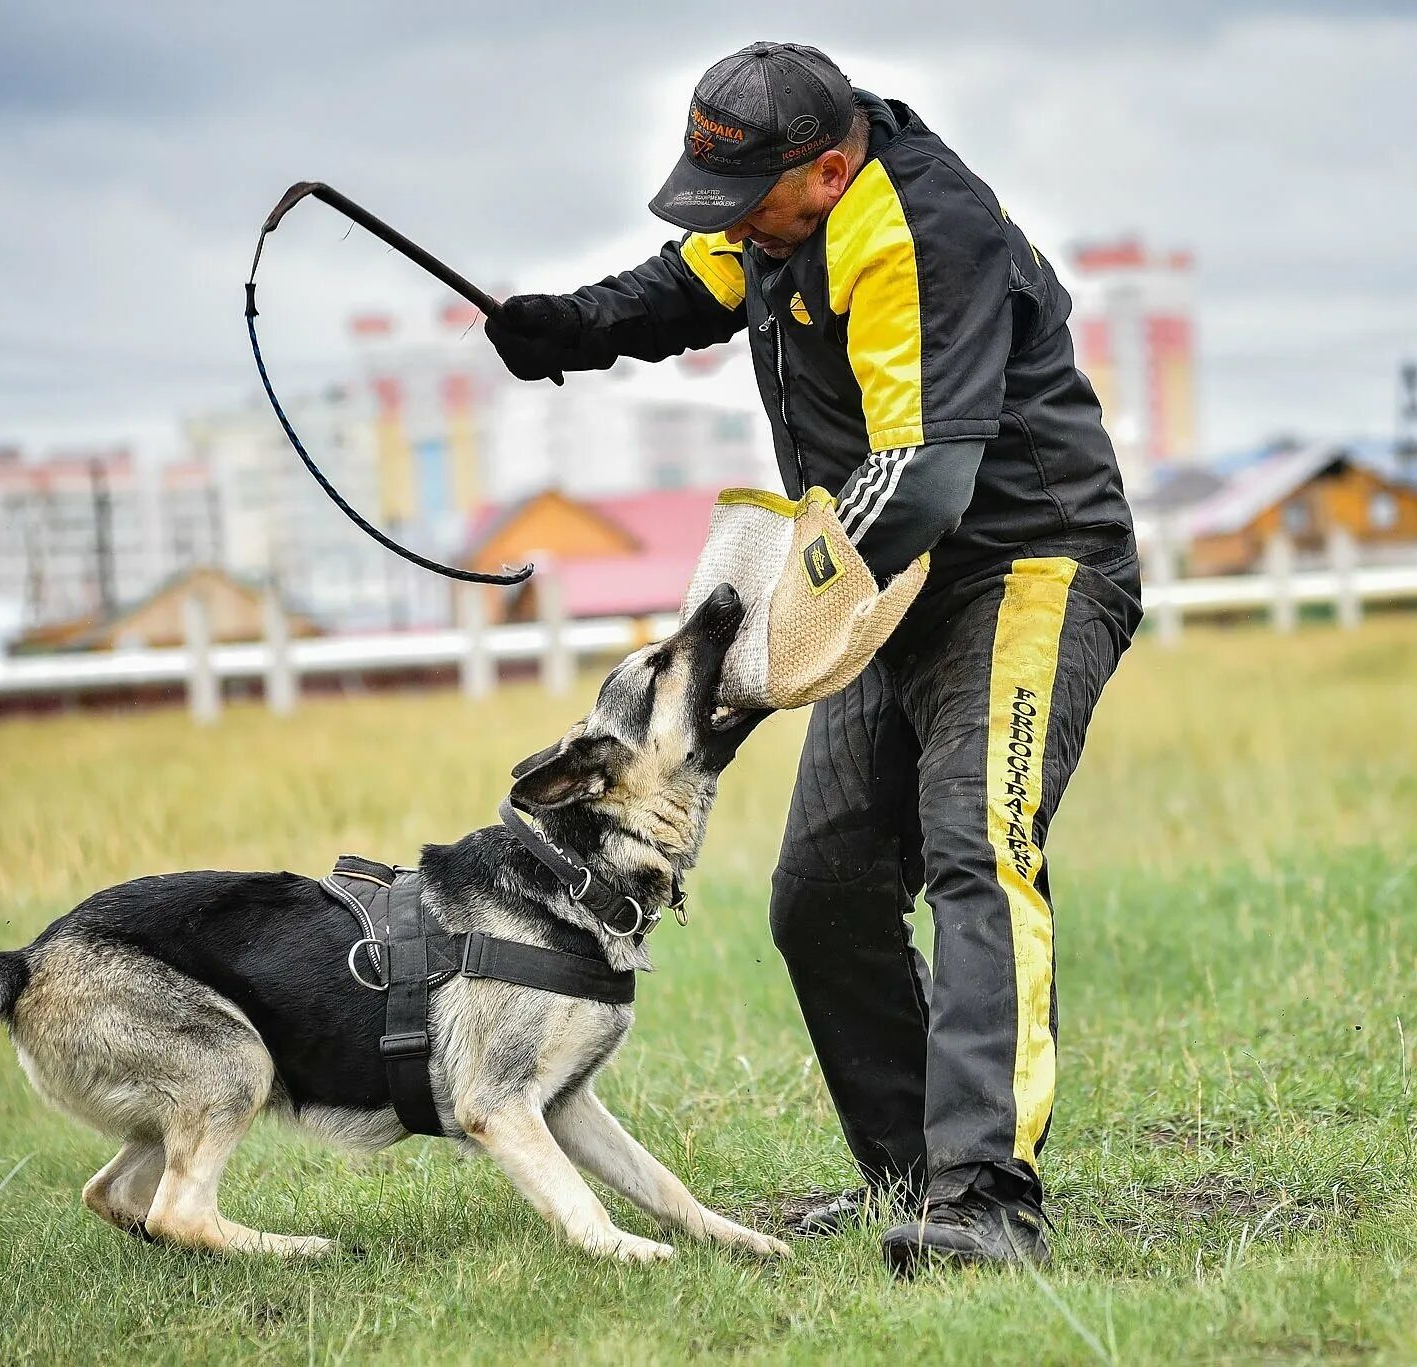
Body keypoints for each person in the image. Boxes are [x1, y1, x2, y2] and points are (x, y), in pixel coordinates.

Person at [484, 41, 1142, 1273]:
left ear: (830, 171)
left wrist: (769, 636)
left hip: (1021, 568)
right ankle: (909, 1177)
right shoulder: (778, 215)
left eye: (748, 207)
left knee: (975, 849)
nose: (732, 231)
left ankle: (985, 1201)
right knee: (823, 893)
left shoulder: (915, 230)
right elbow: (680, 287)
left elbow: (925, 472)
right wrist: (556, 328)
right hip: (882, 590)